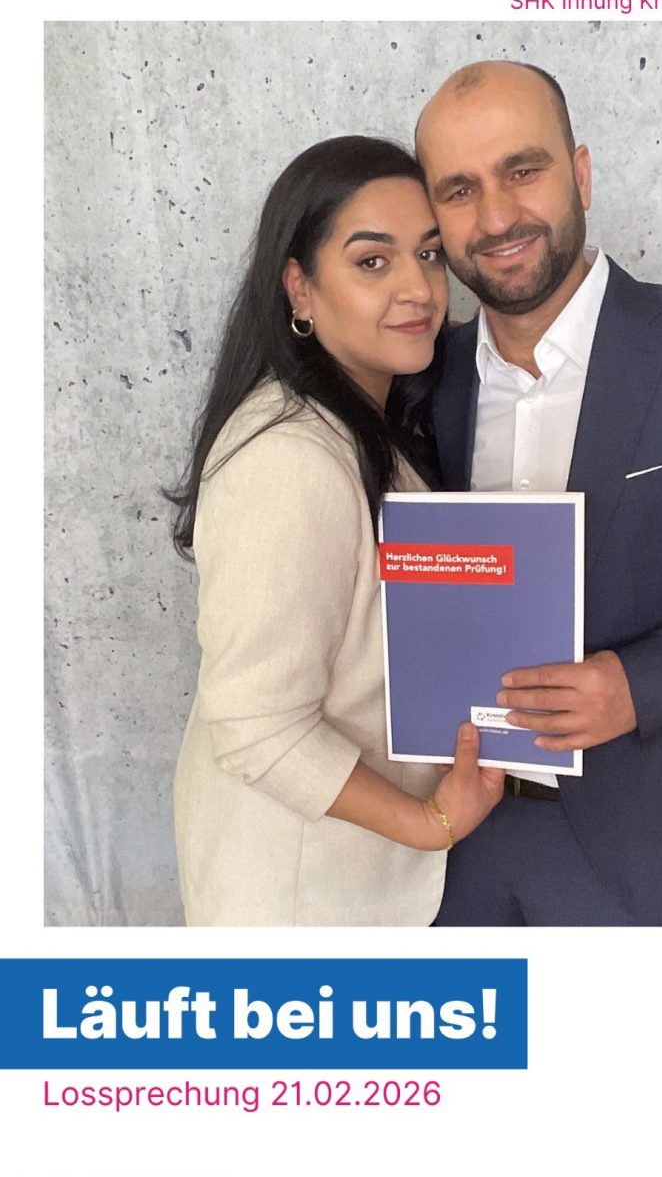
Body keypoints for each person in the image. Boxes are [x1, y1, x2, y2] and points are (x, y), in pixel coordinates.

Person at [415, 62, 662, 927]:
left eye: (522, 170)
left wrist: (640, 684)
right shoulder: (417, 377)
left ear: (581, 174)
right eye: (460, 189)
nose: (496, 217)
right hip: (445, 839)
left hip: (636, 843)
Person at [168, 136, 504, 927]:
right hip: (298, 900)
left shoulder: (360, 425)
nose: (419, 288)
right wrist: (432, 822)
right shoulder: (289, 458)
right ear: (300, 287)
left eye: (429, 254)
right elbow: (255, 723)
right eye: (372, 261)